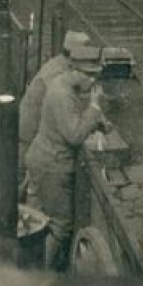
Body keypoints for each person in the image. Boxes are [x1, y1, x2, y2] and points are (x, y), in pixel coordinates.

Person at [26, 45, 112, 272]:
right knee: (59, 227)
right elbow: (74, 136)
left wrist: (97, 117)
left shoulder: (64, 84)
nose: (93, 82)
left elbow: (75, 110)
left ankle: (28, 267)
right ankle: (41, 277)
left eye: (95, 75)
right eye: (90, 75)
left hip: (41, 158)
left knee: (34, 221)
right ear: (75, 70)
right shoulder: (61, 94)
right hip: (52, 165)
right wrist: (94, 109)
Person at [18, 31, 91, 193]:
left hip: (32, 134)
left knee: (30, 189)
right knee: (28, 189)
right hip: (29, 138)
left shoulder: (59, 63)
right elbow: (66, 113)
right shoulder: (57, 75)